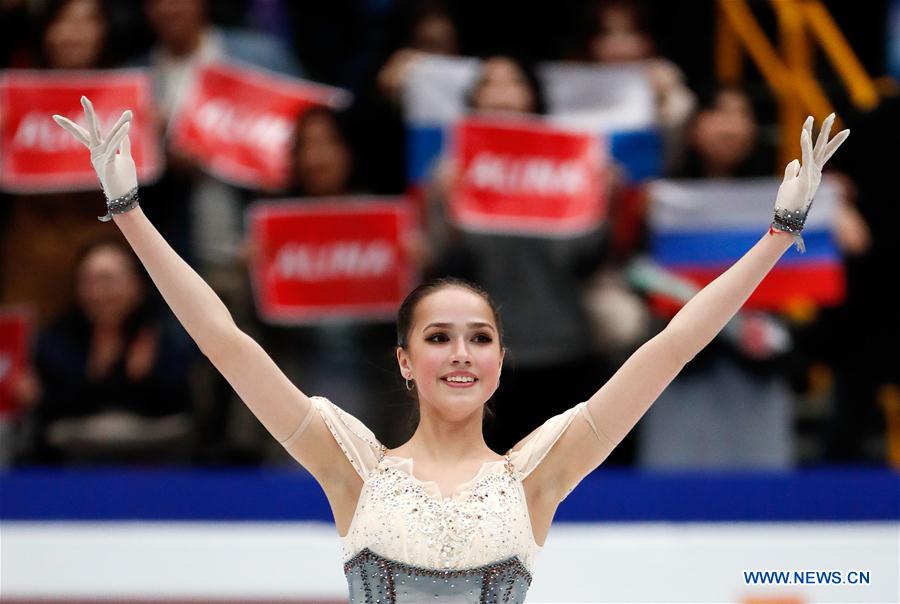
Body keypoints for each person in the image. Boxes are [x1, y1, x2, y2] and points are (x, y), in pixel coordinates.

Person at [53, 97, 847, 601]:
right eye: (438, 338)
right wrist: (128, 212)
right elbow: (224, 343)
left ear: (501, 360)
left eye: (479, 338)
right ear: (405, 361)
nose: (460, 354)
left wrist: (779, 237)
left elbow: (672, 346)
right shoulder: (349, 464)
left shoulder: (536, 473)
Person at [15, 239, 194, 464]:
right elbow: (51, 414)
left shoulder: (165, 332)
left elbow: (182, 408)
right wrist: (94, 371)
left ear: (136, 285)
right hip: (73, 457)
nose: (98, 293)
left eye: (108, 281)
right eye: (88, 282)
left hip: (154, 455)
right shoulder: (57, 338)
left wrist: (145, 375)